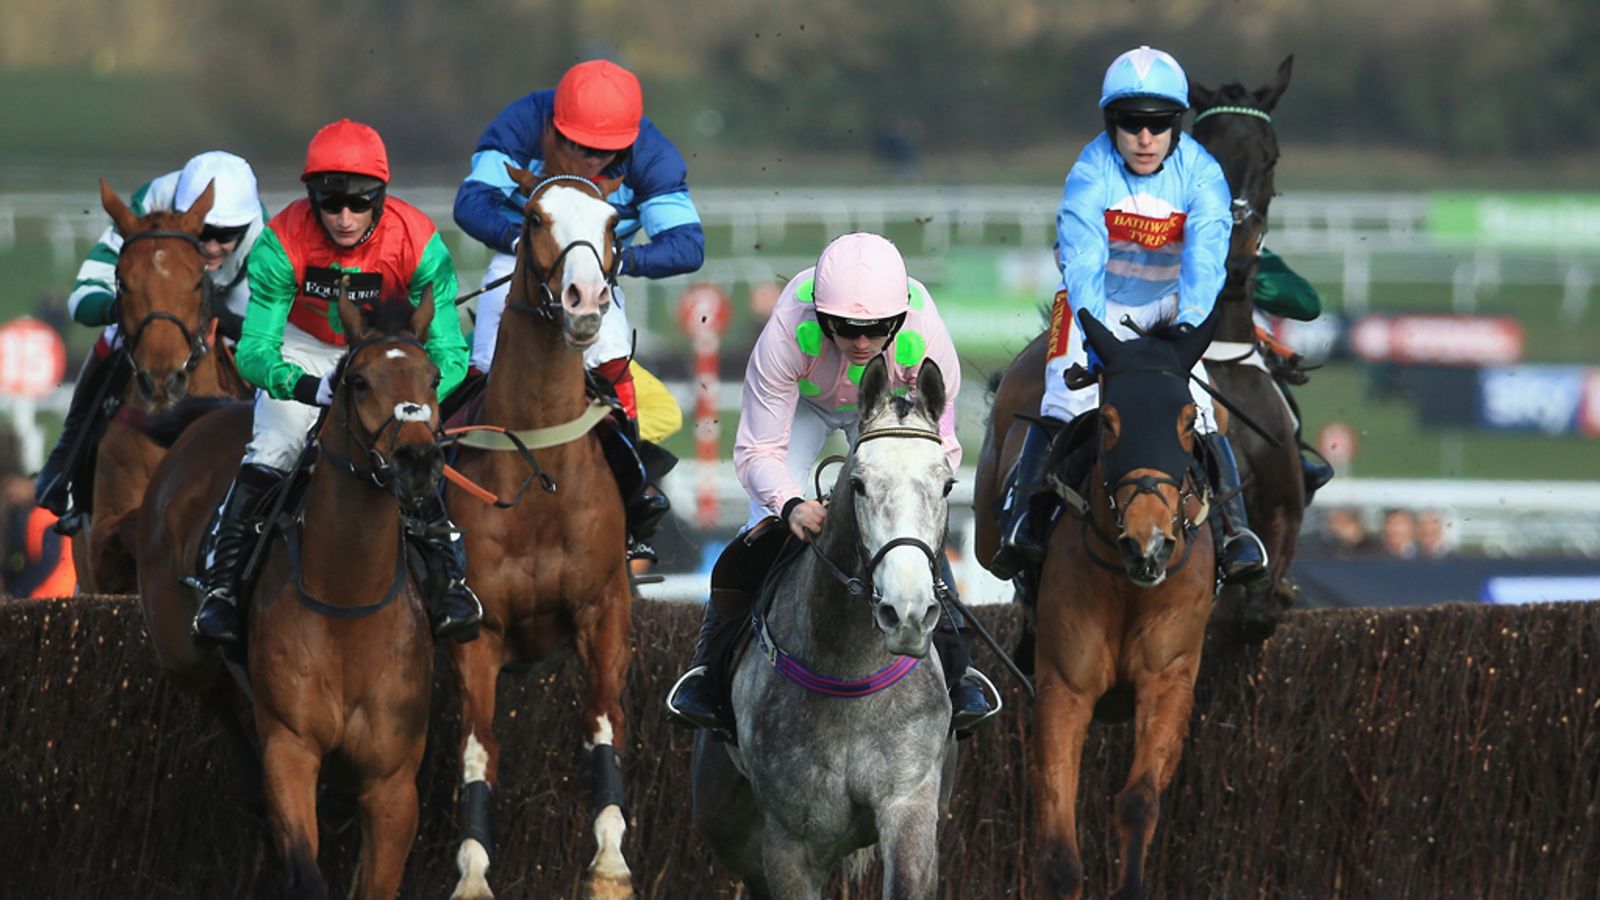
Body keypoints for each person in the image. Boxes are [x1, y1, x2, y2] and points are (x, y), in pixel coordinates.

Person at [665, 233, 998, 735]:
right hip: (801, 409)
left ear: (898, 319)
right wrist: (791, 504)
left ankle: (959, 671)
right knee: (763, 519)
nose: (861, 342)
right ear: (820, 316)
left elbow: (942, 449)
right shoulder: (788, 330)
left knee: (908, 519)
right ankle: (709, 672)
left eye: (876, 330)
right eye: (844, 328)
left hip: (884, 413)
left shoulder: (923, 332)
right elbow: (758, 451)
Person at [191, 119, 480, 646]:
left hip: (388, 355)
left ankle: (454, 584)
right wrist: (306, 388)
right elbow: (256, 349)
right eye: (329, 204)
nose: (344, 219)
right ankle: (223, 589)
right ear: (311, 198)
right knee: (274, 445)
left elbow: (449, 351)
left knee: (414, 448)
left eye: (359, 204)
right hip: (305, 349)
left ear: (381, 197)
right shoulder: (281, 241)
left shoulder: (419, 241)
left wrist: (418, 397)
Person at [990, 45, 1268, 587]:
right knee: (1065, 398)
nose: (1144, 137)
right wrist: (1100, 345)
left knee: (1202, 406)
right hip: (1094, 308)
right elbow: (1084, 262)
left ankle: (1236, 533)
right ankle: (1025, 523)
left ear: (1176, 125)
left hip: (1168, 309)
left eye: (1158, 124)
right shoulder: (1089, 171)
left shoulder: (1202, 175)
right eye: (1131, 123)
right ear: (1111, 123)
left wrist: (1184, 337)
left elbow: (1205, 264)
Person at [453, 59, 704, 562]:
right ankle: (441, 491)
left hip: (594, 270)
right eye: (577, 145)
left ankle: (634, 503)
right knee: (482, 370)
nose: (590, 158)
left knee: (613, 372)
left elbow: (688, 244)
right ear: (553, 127)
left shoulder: (651, 156)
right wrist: (528, 247)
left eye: (605, 152)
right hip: (521, 259)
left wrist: (618, 260)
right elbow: (471, 203)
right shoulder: (523, 121)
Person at [33, 151, 266, 534]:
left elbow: (269, 324)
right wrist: (127, 307)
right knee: (114, 336)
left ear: (246, 226)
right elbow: (83, 299)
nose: (210, 247)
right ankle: (66, 460)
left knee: (263, 358)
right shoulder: (152, 201)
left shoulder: (261, 238)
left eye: (225, 237)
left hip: (232, 297)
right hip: (160, 294)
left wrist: (226, 320)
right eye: (202, 232)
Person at [1251, 247, 1335, 497]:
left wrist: (1241, 275)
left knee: (1281, 404)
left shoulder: (1239, 245)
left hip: (1242, 348)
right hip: (1173, 341)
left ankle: (1293, 457)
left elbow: (1307, 304)